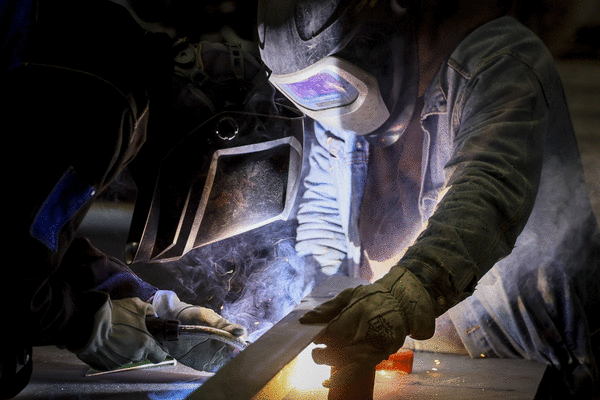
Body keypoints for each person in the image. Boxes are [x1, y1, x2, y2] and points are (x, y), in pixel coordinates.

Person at [257, 0, 600, 398]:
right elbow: (325, 217)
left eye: (339, 84)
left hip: (521, 361)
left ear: (377, 40)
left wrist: (403, 297)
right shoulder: (335, 104)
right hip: (407, 364)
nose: (331, 108)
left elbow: (486, 192)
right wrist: (320, 314)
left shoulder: (500, 62)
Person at [0, 0, 279, 397]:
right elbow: (11, 275)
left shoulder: (111, 58)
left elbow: (27, 236)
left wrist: (149, 303)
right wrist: (83, 324)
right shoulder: (109, 100)